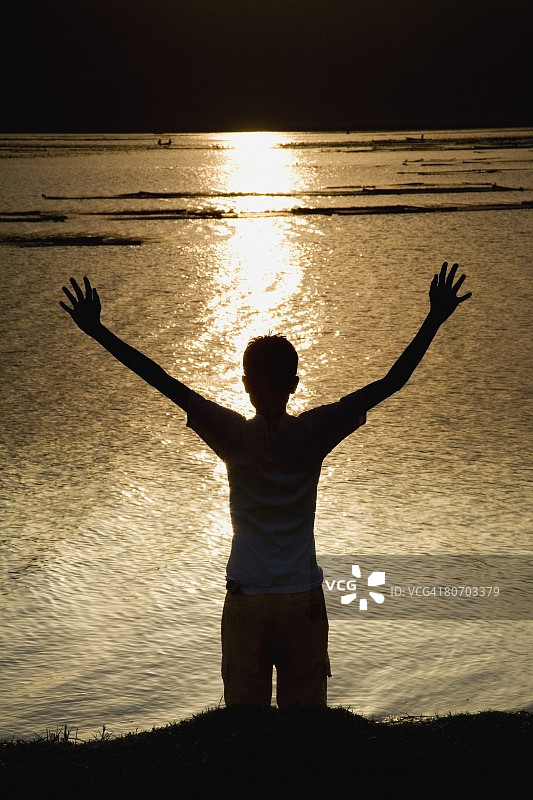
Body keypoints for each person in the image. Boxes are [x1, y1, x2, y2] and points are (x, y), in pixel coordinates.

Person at [60, 262, 471, 708]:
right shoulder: (314, 432)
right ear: (295, 384)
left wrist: (97, 330)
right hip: (301, 600)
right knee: (306, 726)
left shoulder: (233, 435)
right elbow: (392, 382)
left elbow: (162, 381)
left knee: (244, 729)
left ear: (245, 386)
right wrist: (435, 317)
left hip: (248, 602)